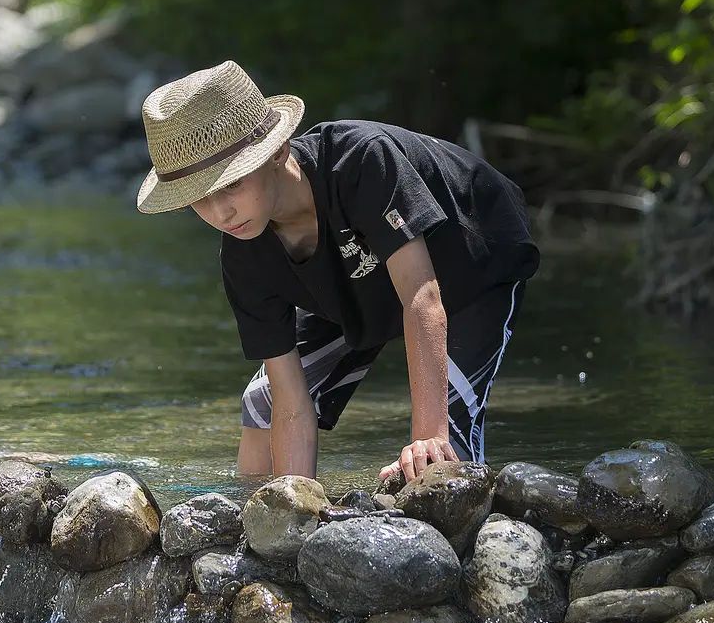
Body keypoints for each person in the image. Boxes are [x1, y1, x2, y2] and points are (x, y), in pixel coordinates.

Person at [135, 61, 538, 483]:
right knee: (262, 403)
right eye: (199, 199)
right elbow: (291, 404)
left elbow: (422, 297)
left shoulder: (362, 162)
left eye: (231, 184)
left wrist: (427, 440)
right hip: (361, 281)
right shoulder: (243, 251)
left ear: (277, 150)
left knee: (439, 455)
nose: (221, 213)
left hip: (468, 267)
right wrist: (289, 512)